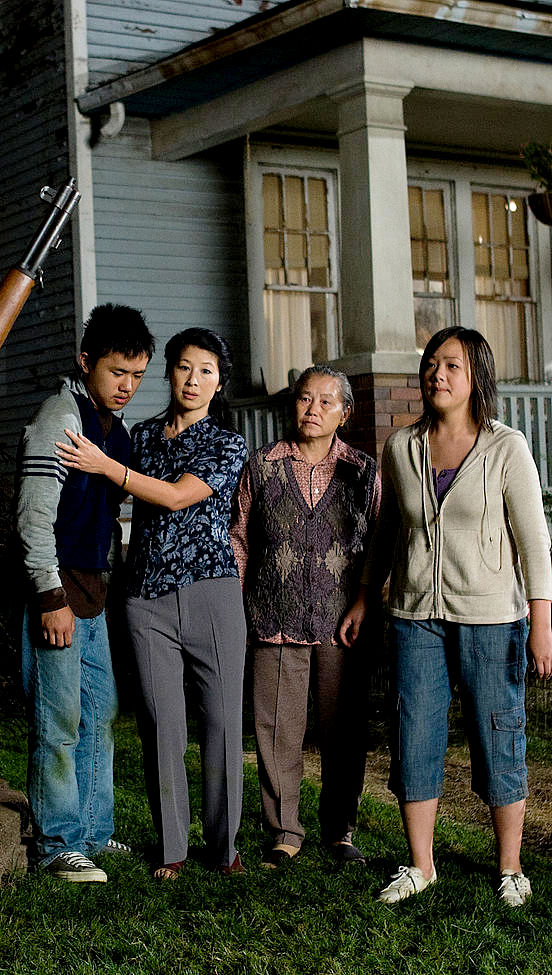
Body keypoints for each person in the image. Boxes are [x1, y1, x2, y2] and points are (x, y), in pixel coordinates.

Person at [341, 325, 552, 907]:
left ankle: (510, 868)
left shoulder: (506, 447)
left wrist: (542, 622)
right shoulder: (401, 447)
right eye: (431, 363)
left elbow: (534, 541)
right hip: (414, 617)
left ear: (475, 377)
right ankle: (421, 866)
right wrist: (365, 594)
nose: (437, 373)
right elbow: (387, 532)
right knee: (415, 734)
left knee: (497, 736)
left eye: (451, 365)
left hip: (491, 618)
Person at [57, 327, 247, 879]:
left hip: (212, 594)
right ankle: (172, 849)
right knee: (162, 723)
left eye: (206, 370)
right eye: (184, 367)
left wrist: (107, 468)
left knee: (220, 723)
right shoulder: (139, 436)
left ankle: (224, 844)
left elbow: (176, 495)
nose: (194, 379)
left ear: (219, 382)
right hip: (145, 600)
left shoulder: (226, 443)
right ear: (170, 373)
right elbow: (106, 496)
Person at [16, 303, 153, 883]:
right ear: (86, 362)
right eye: (117, 372)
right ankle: (57, 843)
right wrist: (49, 597)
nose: (127, 386)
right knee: (61, 718)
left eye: (137, 376)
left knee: (100, 712)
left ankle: (94, 832)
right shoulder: (60, 417)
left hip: (95, 591)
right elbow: (33, 515)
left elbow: (103, 510)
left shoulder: (113, 430)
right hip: (59, 590)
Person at [230, 365, 379, 869]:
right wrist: (236, 607)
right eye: (303, 399)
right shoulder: (263, 465)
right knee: (276, 730)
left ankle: (339, 831)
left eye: (324, 401)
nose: (311, 409)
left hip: (344, 623)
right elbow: (240, 540)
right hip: (275, 614)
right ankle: (284, 832)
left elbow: (380, 546)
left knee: (343, 730)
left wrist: (364, 600)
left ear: (344, 413)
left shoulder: (363, 472)